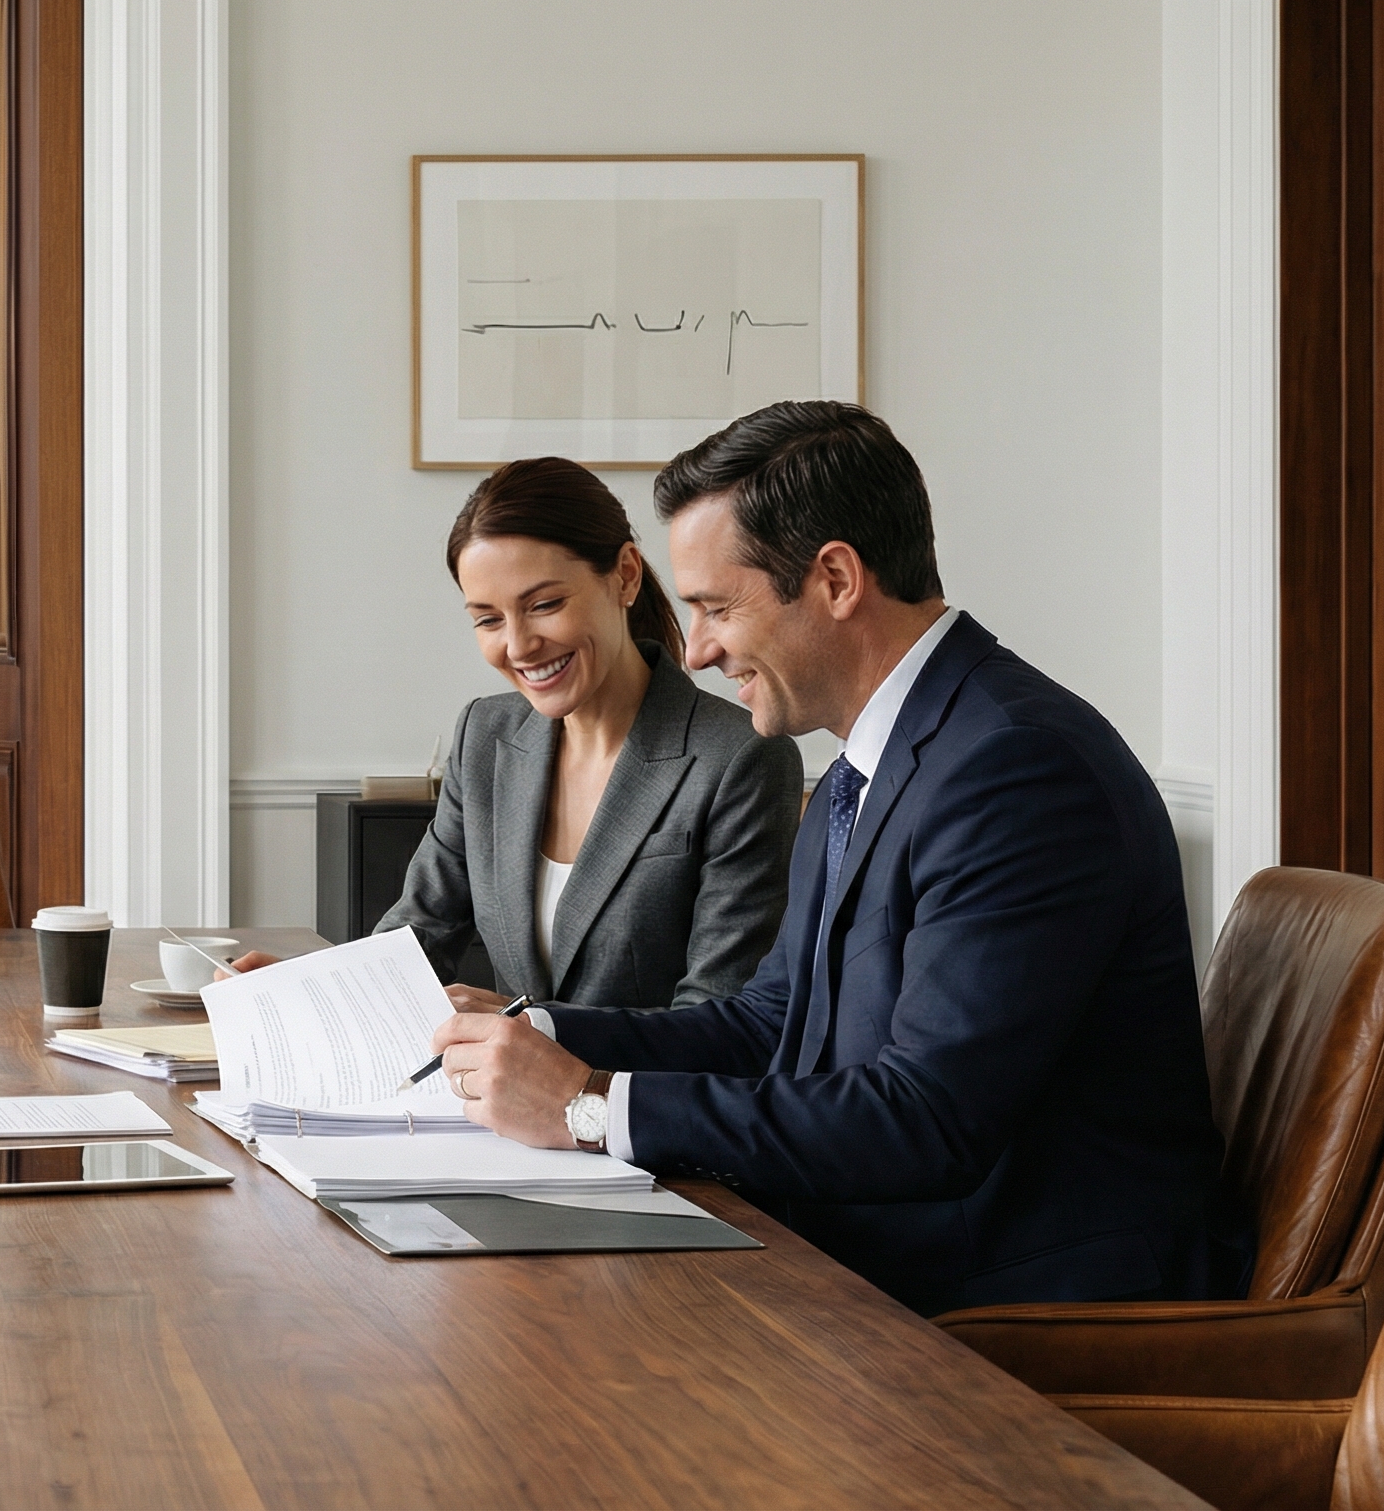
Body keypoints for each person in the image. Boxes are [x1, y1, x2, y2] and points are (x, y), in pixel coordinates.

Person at [429, 402, 1231, 1315]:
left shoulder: (1017, 769)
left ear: (837, 578)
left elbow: (926, 1122)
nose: (693, 651)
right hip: (878, 1255)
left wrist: (587, 1109)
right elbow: (770, 1024)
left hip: (1013, 1301)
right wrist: (543, 1032)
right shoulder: (873, 758)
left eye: (717, 607)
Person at [350, 458, 802, 1013]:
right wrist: (307, 994)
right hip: (494, 1098)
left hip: (639, 1097)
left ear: (626, 576)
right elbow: (418, 934)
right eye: (488, 619)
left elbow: (718, 1013)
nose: (517, 646)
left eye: (544, 605)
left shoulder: (740, 757)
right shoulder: (485, 735)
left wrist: (536, 1032)